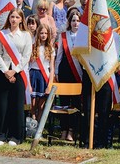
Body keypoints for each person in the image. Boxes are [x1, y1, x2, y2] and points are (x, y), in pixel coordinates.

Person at [0, 8, 32, 146]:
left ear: (21, 19)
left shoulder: (26, 35)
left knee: (16, 105)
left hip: (18, 72)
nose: (14, 19)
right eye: (12, 17)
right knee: (2, 105)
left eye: (17, 17)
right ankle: (0, 135)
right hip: (2, 72)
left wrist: (14, 71)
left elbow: (26, 56)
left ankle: (15, 136)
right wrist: (6, 71)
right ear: (9, 18)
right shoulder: (2, 34)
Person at [55, 11, 83, 141]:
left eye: (78, 20)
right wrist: (56, 71)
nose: (75, 23)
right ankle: (64, 129)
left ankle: (73, 130)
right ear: (69, 22)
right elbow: (59, 54)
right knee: (64, 104)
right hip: (65, 71)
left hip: (78, 73)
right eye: (73, 20)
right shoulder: (63, 36)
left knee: (76, 103)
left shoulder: (84, 36)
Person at [29, 23, 55, 121]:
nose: (43, 35)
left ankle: (38, 127)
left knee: (41, 105)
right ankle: (32, 122)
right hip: (33, 76)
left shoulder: (51, 49)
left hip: (44, 77)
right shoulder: (33, 47)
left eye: (45, 33)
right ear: (38, 34)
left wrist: (50, 85)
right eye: (41, 33)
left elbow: (52, 68)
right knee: (33, 104)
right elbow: (28, 65)